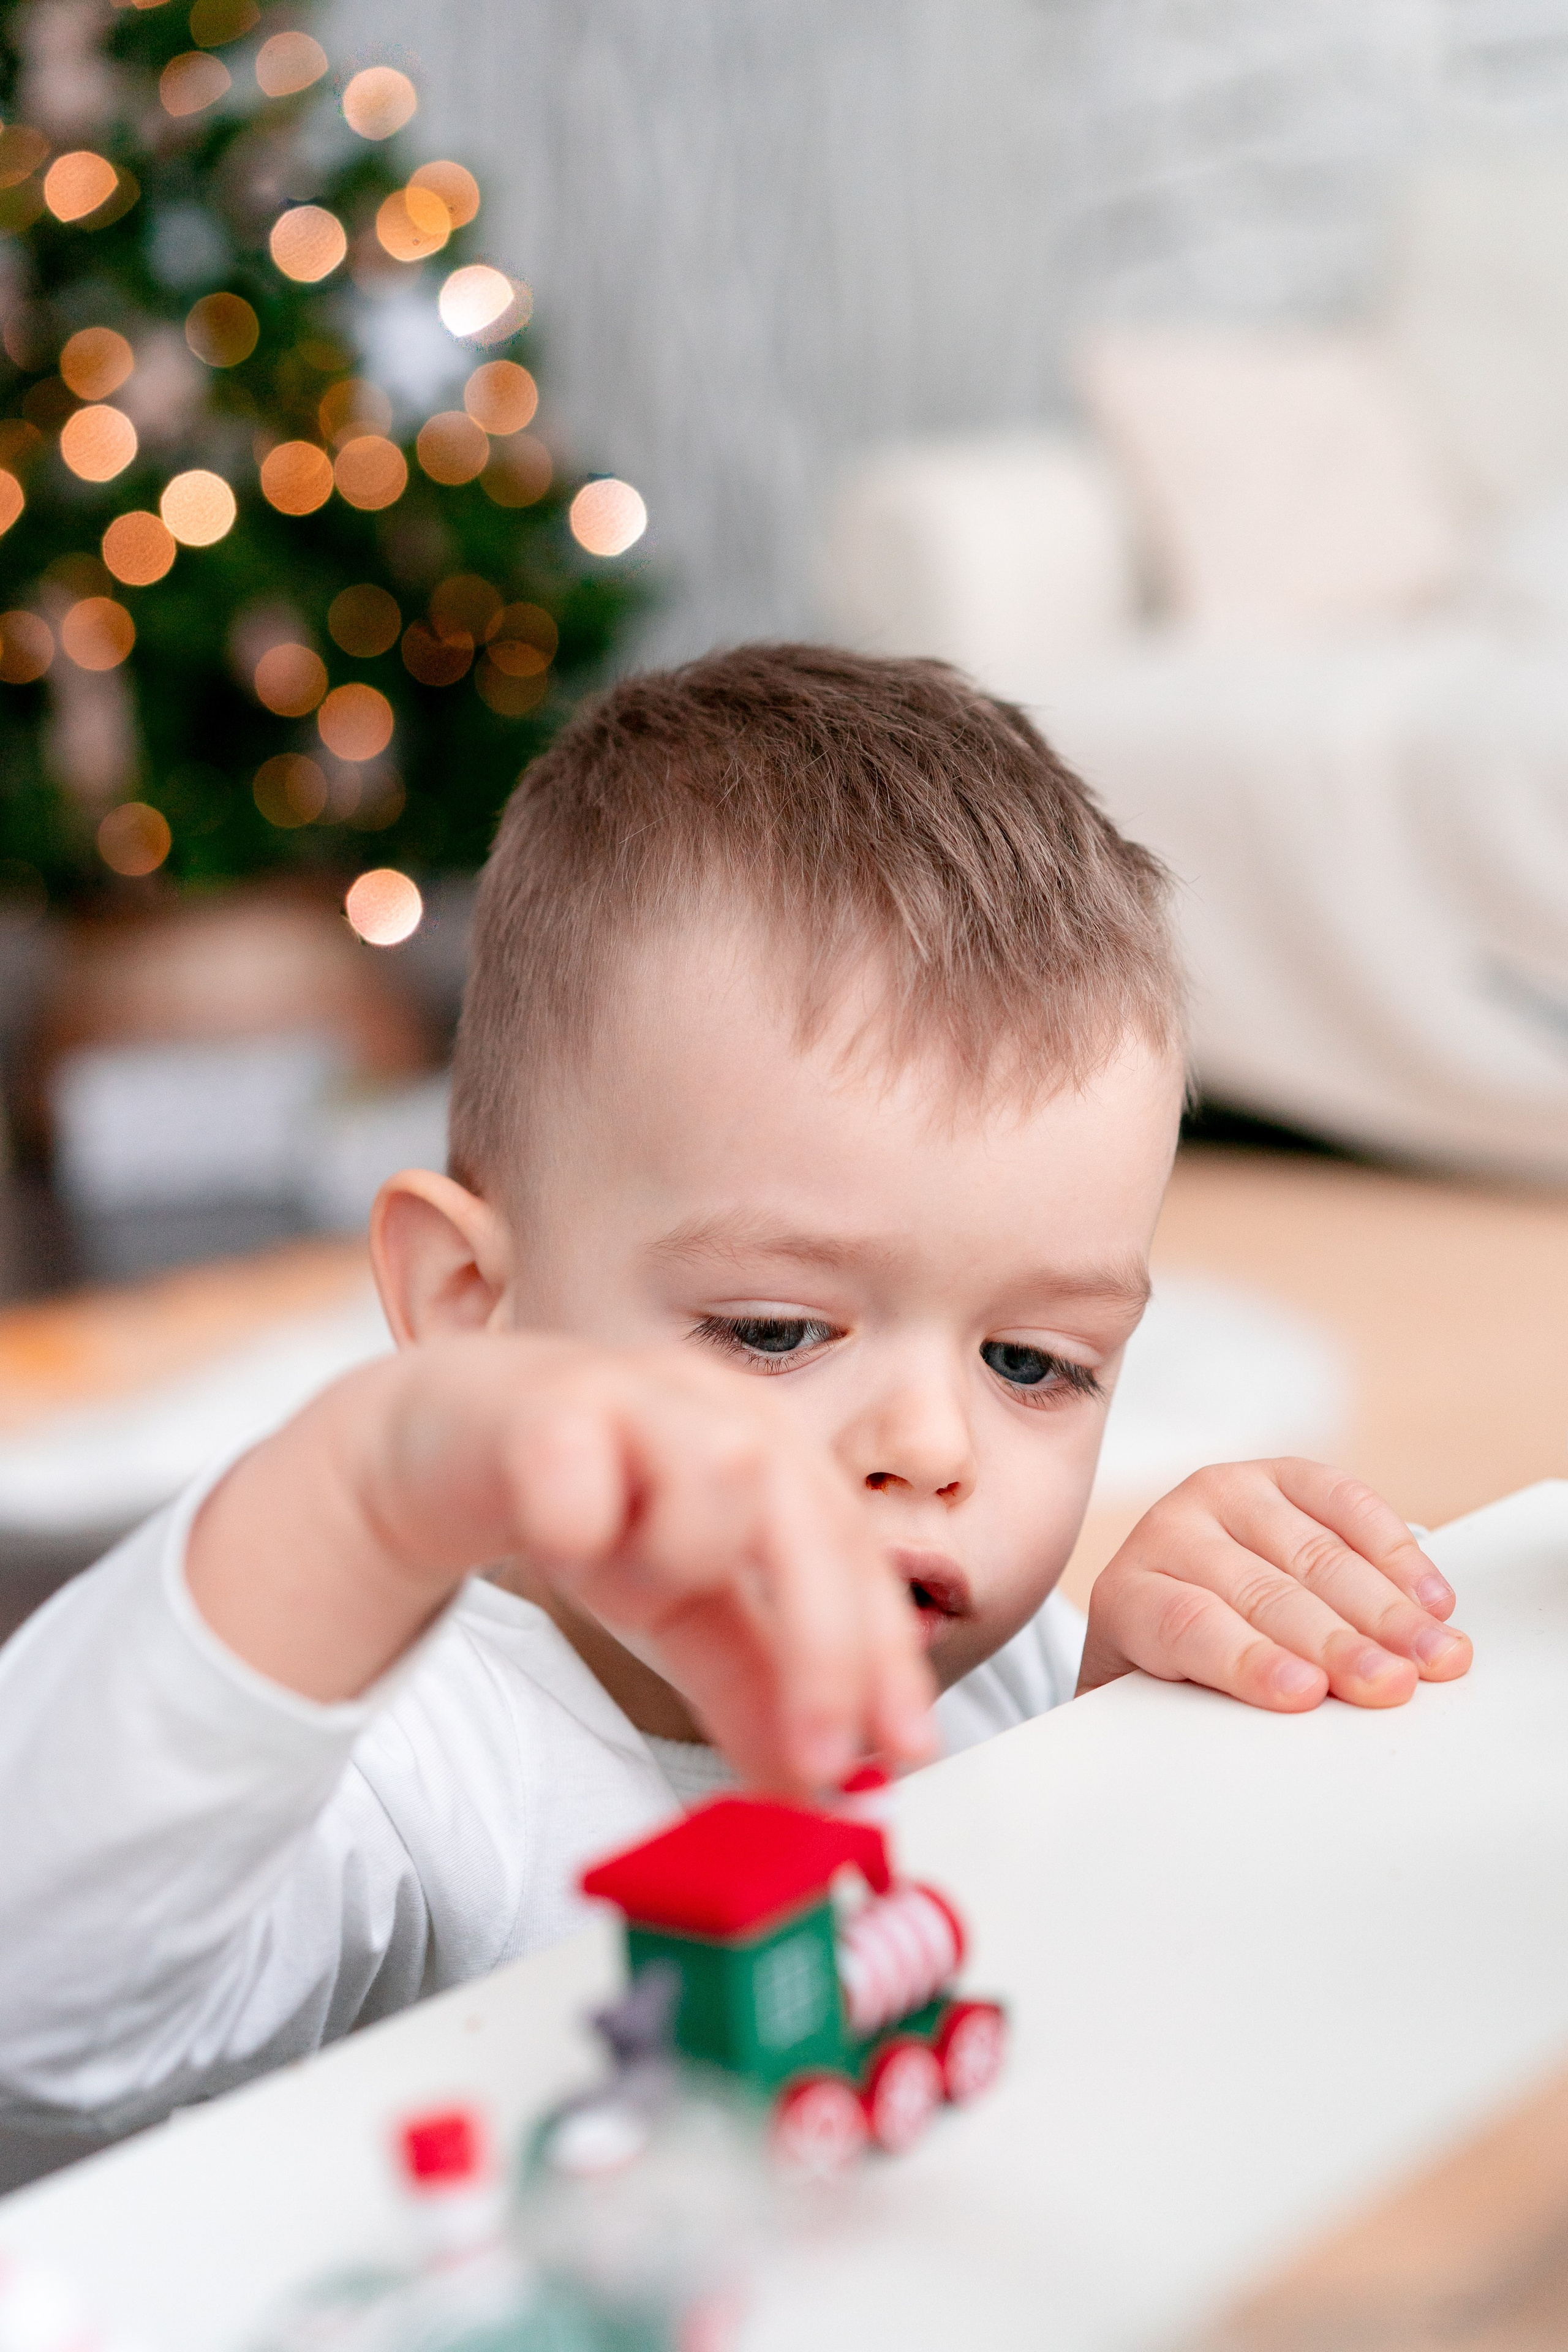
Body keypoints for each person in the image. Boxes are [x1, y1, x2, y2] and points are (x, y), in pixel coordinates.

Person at [0, 646, 1470, 2186]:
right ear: (464, 1312)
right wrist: (369, 1484)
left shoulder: (1001, 1677)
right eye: (774, 1332)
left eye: (1032, 1363)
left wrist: (1120, 1739)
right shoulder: (411, 1763)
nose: (934, 1448)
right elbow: (39, 2015)